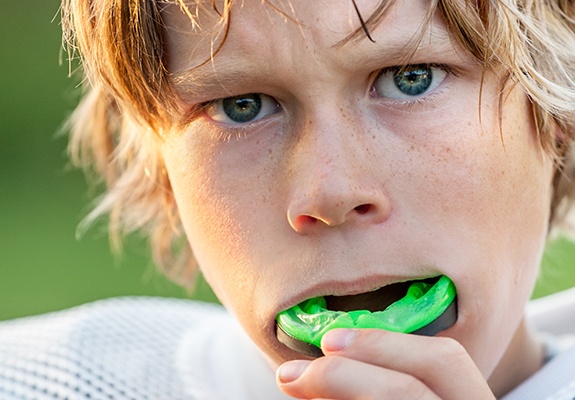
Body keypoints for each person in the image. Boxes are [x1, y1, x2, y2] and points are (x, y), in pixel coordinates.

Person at [2, 0, 575, 398]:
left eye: (411, 77)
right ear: (161, 167)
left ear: (555, 114)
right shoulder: (49, 379)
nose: (329, 192)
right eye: (242, 106)